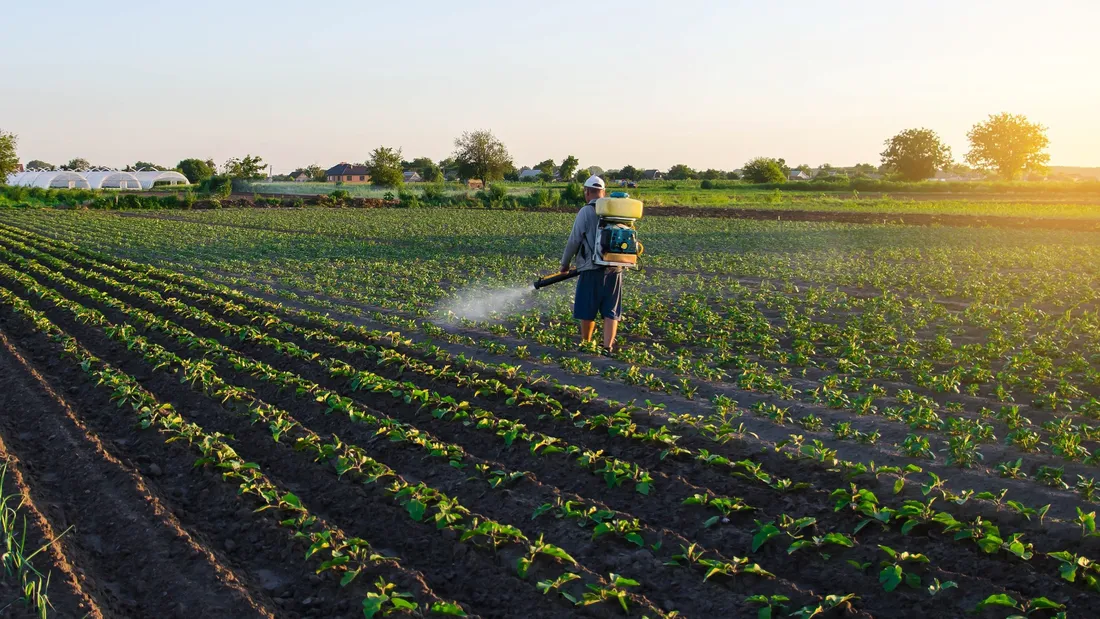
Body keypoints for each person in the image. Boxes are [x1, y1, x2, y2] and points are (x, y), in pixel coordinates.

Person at [560, 174, 622, 354]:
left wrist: (565, 265)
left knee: (587, 307)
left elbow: (574, 240)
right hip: (615, 268)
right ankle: (607, 347)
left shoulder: (586, 211)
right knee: (611, 309)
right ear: (604, 192)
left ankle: (586, 344)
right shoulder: (616, 210)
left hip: (592, 267)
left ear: (587, 192)